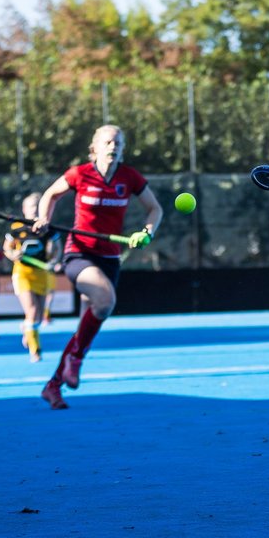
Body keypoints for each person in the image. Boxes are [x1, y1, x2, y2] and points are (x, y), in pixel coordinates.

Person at [33, 124, 162, 409]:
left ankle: (53, 385)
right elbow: (51, 195)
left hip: (110, 258)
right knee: (105, 301)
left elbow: (155, 209)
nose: (113, 146)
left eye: (118, 142)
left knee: (90, 321)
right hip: (79, 253)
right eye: (108, 142)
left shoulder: (130, 178)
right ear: (95, 146)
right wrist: (43, 218)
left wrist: (147, 232)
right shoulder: (79, 173)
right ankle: (76, 360)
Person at [2, 192, 60, 362]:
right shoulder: (16, 227)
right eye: (31, 207)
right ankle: (35, 351)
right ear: (24, 209)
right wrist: (14, 254)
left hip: (41, 273)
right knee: (32, 310)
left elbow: (57, 248)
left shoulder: (46, 227)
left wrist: (54, 261)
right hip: (22, 273)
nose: (34, 210)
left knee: (39, 317)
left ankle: (28, 328)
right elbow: (7, 248)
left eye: (37, 206)